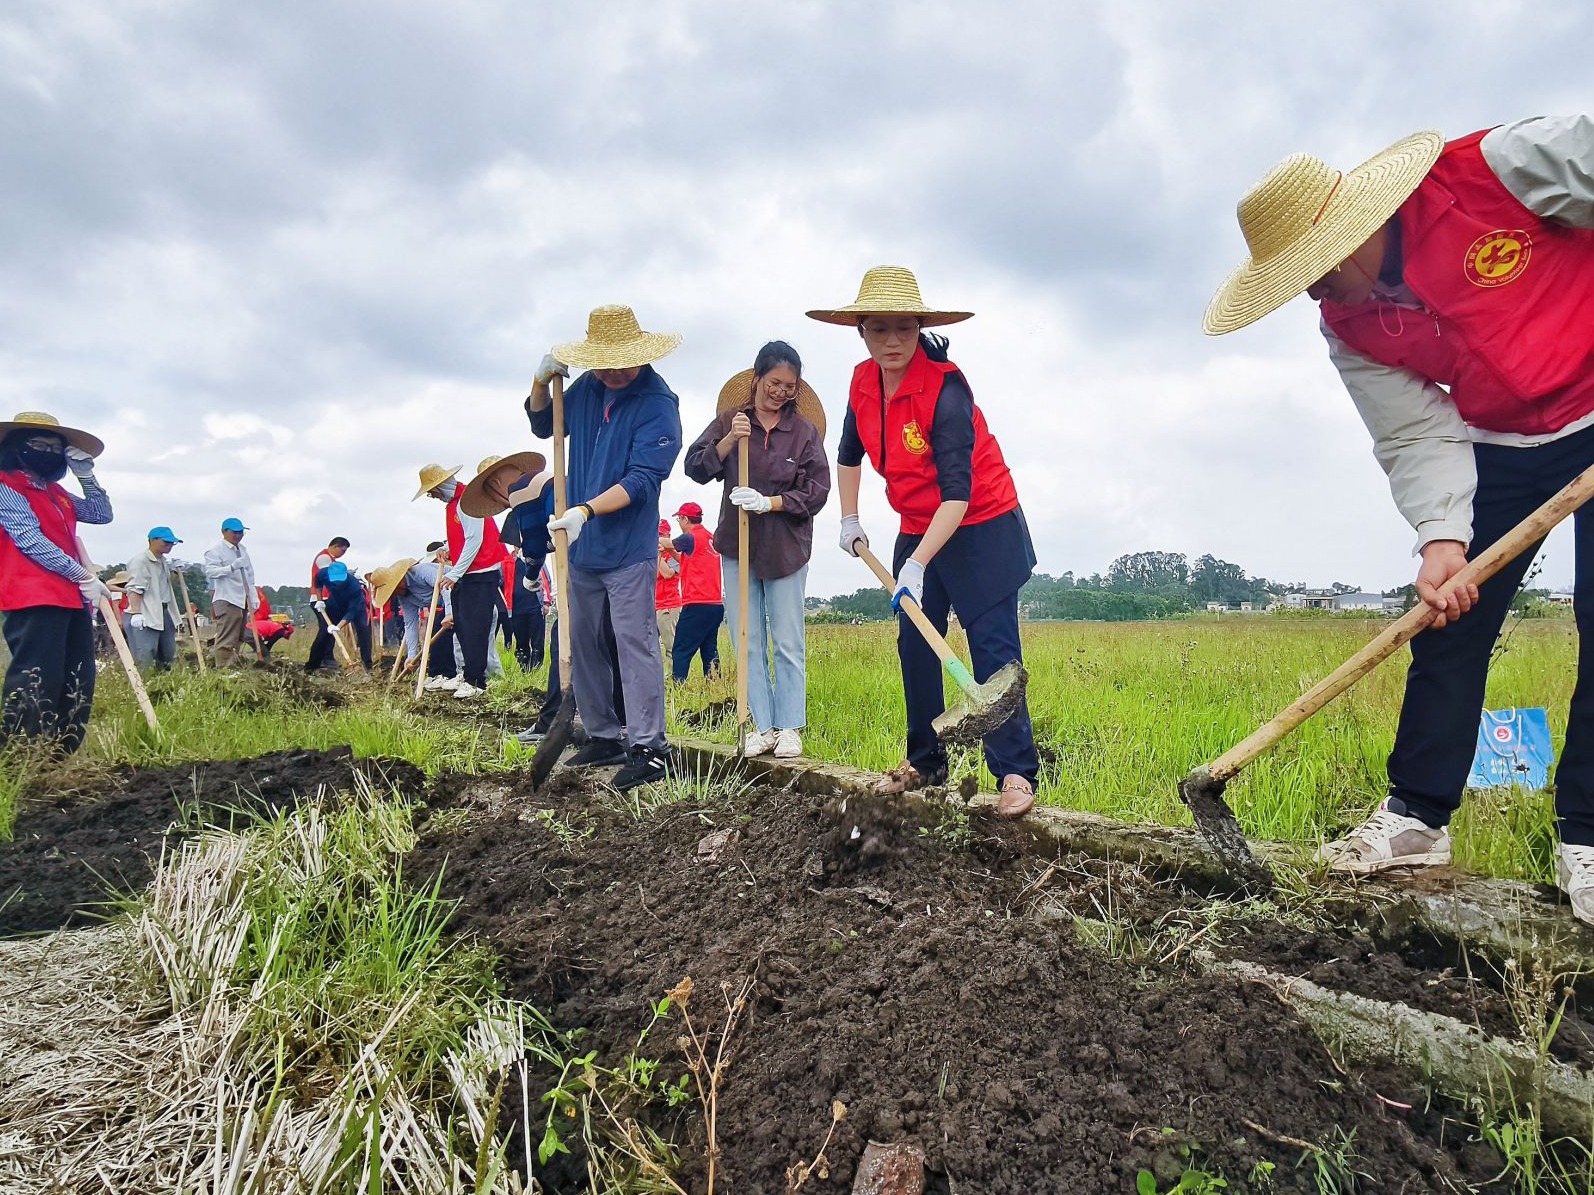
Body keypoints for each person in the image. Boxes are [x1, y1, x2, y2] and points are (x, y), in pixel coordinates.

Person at [1204, 116, 1594, 922]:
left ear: (1349, 235)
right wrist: (1442, 538)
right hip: (1501, 439)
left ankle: (1587, 839)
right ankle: (1417, 816)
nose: (1311, 294)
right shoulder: (1346, 325)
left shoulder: (1497, 170)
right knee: (1449, 619)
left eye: (1313, 273)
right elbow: (1415, 431)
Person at [808, 266, 1040, 816]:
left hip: (981, 524)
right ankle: (926, 761)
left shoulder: (946, 390)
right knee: (915, 643)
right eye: (879, 329)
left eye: (904, 329)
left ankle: (1014, 771)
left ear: (919, 329)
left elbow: (957, 494)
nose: (892, 341)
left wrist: (915, 564)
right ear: (860, 331)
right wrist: (849, 517)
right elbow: (848, 453)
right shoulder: (862, 383)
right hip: (918, 523)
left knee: (993, 652)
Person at [526, 304, 682, 789]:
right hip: (580, 549)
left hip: (628, 547)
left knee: (634, 642)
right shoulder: (589, 387)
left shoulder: (658, 403)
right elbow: (546, 426)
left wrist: (586, 510)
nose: (613, 373)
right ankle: (602, 735)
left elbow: (643, 479)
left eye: (621, 363)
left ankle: (649, 747)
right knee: (582, 641)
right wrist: (539, 384)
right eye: (603, 364)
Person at [684, 341, 832, 757]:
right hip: (738, 545)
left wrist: (771, 502)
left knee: (787, 641)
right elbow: (695, 467)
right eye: (774, 383)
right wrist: (730, 441)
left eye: (789, 386)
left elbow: (817, 490)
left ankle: (789, 726)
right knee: (746, 638)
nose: (780, 392)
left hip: (786, 548)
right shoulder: (731, 421)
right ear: (757, 378)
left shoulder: (803, 433)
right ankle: (762, 726)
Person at [0, 411, 113, 754]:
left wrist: (86, 475)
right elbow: (29, 540)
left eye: (54, 447)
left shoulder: (56, 492)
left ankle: (58, 755)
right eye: (39, 445)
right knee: (38, 676)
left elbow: (100, 514)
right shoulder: (6, 486)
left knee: (77, 675)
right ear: (18, 446)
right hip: (32, 595)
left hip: (72, 597)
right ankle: (21, 754)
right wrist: (82, 575)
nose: (47, 452)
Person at [415, 462, 510, 699]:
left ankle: (476, 681)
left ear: (441, 486)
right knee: (462, 625)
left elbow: (475, 539)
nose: (433, 497)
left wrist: (455, 573)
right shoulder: (453, 505)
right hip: (468, 574)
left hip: (481, 573)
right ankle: (467, 673)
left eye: (433, 492)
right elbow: (464, 537)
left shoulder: (468, 500)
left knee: (475, 628)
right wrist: (448, 548)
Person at [665, 501, 724, 681]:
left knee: (681, 649)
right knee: (709, 648)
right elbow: (686, 561)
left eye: (679, 519)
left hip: (697, 603)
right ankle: (715, 685)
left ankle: (679, 686)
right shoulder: (709, 537)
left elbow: (669, 542)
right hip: (715, 604)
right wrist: (670, 550)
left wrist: (656, 540)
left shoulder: (691, 537)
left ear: (684, 518)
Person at [124, 526, 186, 671]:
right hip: (145, 612)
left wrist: (175, 572)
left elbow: (166, 586)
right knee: (145, 655)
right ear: (152, 540)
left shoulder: (162, 561)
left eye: (172, 543)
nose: (169, 545)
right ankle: (142, 683)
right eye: (166, 542)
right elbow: (135, 588)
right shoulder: (141, 561)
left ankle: (163, 682)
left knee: (167, 653)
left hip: (163, 611)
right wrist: (136, 613)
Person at [203, 516, 257, 667]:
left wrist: (253, 595)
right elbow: (211, 572)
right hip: (227, 598)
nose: (238, 536)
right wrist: (231, 567)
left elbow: (250, 575)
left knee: (239, 636)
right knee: (227, 636)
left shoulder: (243, 550)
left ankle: (231, 663)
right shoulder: (215, 551)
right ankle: (223, 667)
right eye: (234, 532)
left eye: (240, 532)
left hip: (242, 598)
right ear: (224, 532)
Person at [307, 559, 372, 672]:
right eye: (335, 580)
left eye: (340, 580)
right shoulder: (323, 573)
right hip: (335, 603)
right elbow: (318, 583)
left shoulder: (354, 586)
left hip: (356, 607)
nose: (338, 583)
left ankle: (368, 666)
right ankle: (312, 666)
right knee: (324, 632)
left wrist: (338, 627)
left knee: (363, 631)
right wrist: (320, 600)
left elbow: (352, 612)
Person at [306, 537, 350, 671]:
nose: (343, 554)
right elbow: (327, 576)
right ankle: (318, 660)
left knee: (330, 629)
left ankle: (327, 658)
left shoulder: (331, 560)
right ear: (335, 546)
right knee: (326, 629)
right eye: (342, 550)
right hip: (320, 600)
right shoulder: (324, 558)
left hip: (328, 599)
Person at [655, 519, 683, 661]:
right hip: (653, 604)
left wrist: (658, 554)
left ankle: (675, 673)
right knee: (651, 647)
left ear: (668, 536)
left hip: (668, 605)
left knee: (670, 646)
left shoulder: (675, 554)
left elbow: (667, 574)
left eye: (661, 534)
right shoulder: (650, 554)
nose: (657, 538)